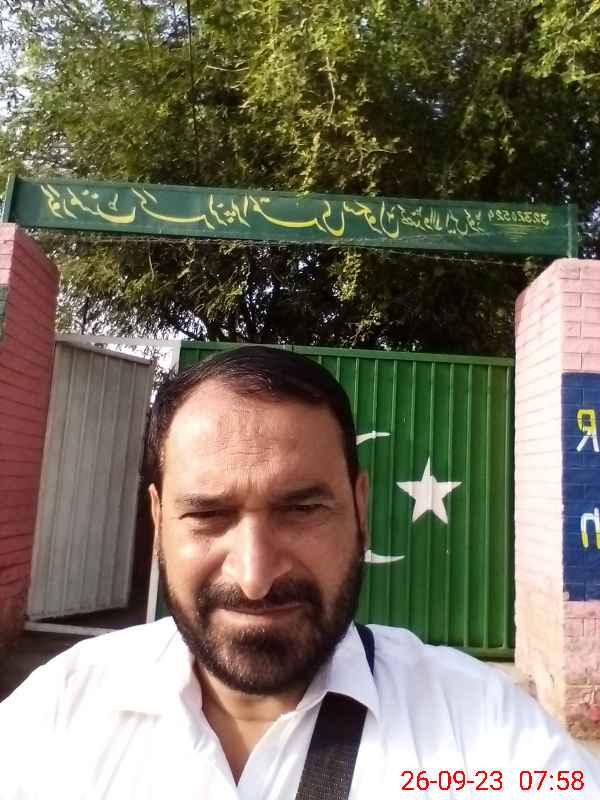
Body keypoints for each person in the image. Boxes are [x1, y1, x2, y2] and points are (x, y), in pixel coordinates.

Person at [1, 345, 599, 800]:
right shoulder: (59, 712)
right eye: (207, 515)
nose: (255, 575)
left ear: (360, 508)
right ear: (159, 519)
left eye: (302, 509)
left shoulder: (479, 730)